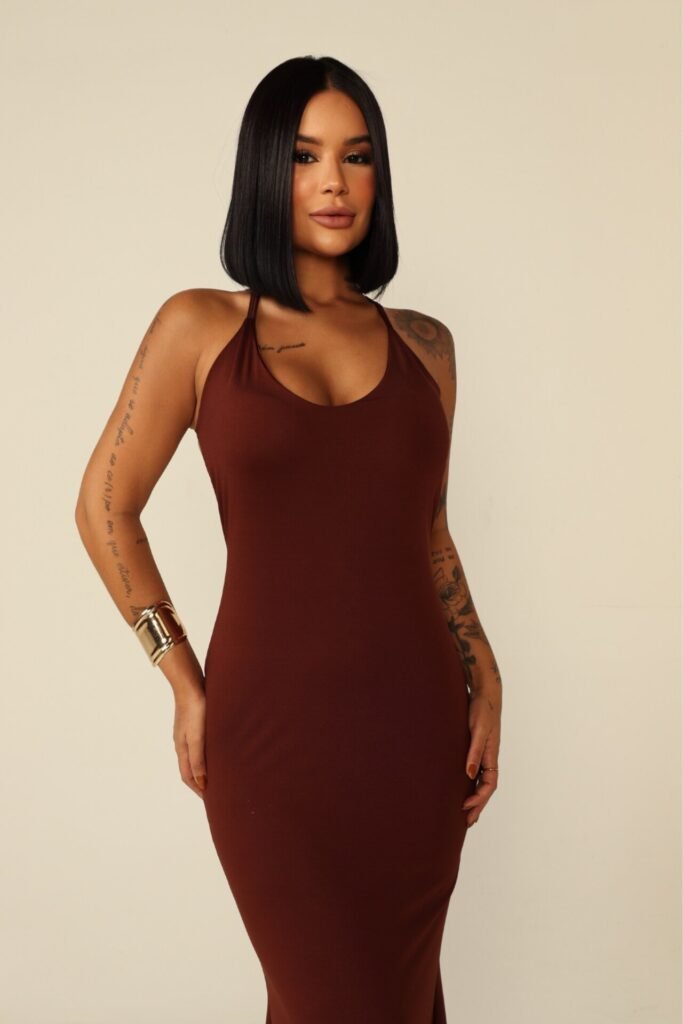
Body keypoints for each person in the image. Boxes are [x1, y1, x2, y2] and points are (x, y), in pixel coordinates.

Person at [75, 54, 502, 1024]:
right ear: (265, 169)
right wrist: (182, 679)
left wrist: (483, 667)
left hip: (415, 733)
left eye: (356, 156)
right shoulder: (199, 327)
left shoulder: (426, 348)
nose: (333, 182)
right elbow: (104, 508)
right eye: (306, 156)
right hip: (273, 739)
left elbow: (426, 531)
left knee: (398, 1001)